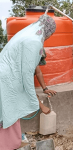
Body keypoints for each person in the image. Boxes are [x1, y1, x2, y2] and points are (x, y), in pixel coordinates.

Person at [0, 14, 56, 149]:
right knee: (9, 114)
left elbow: (35, 72)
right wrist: (39, 104)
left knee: (7, 113)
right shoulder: (34, 42)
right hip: (7, 80)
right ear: (48, 31)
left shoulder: (25, 35)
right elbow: (26, 79)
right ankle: (8, 145)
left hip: (4, 77)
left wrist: (44, 89)